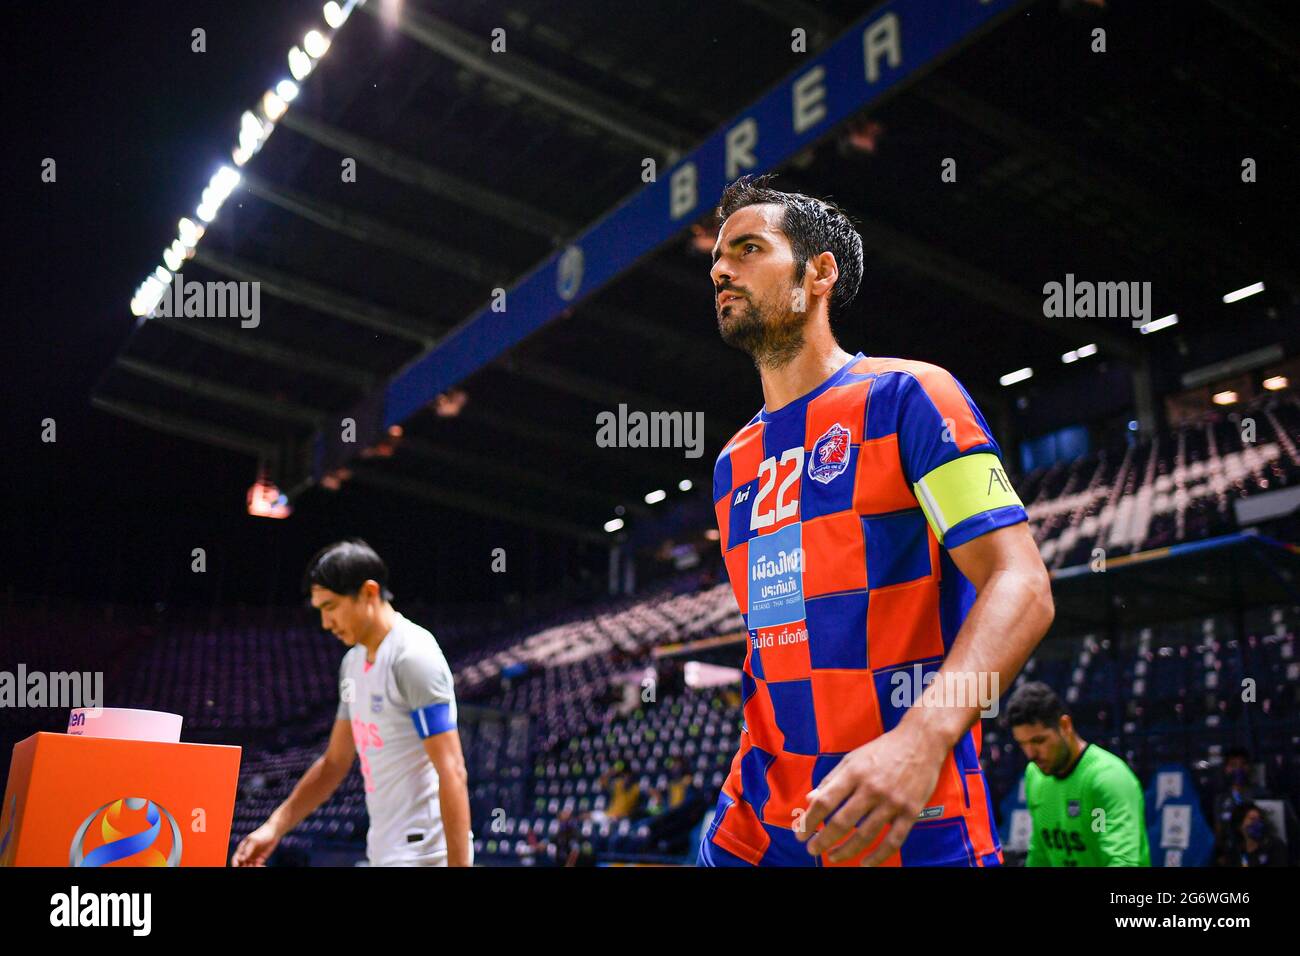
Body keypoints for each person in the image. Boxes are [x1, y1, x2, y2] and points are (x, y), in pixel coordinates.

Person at [699, 174, 1054, 867]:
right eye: (716, 258)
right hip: (759, 827)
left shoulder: (911, 397)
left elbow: (1020, 582)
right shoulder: (732, 463)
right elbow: (772, 650)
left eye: (747, 248)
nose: (720, 267)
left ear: (819, 272)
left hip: (906, 820)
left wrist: (922, 738)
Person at [232, 539, 473, 867]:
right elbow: (334, 763)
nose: (325, 623)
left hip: (427, 856)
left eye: (330, 607)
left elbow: (452, 770)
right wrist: (274, 827)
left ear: (369, 593)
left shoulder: (413, 656)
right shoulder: (352, 664)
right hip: (383, 851)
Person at [1008, 681, 1149, 867]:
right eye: (1022, 744)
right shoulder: (1035, 775)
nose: (1030, 754)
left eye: (1039, 741)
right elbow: (1040, 852)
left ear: (1065, 725)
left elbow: (1122, 862)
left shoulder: (1107, 778)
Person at [1231, 802, 1286, 867]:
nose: (1257, 823)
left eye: (1259, 819)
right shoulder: (1235, 851)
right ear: (1239, 825)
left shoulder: (1275, 845)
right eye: (1252, 819)